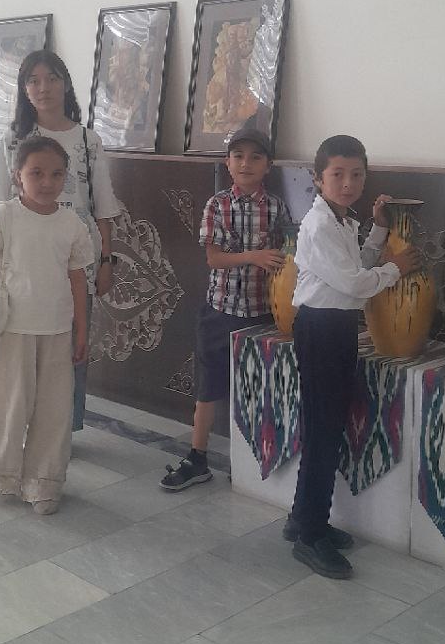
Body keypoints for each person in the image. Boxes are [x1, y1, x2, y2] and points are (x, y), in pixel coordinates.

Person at [285, 134, 421, 579]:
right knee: (323, 432)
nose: (348, 183)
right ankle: (310, 536)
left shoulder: (341, 221)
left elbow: (356, 266)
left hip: (336, 328)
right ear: (318, 178)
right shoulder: (319, 225)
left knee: (326, 428)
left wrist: (378, 229)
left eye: (357, 174)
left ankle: (303, 519)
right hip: (321, 330)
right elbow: (356, 284)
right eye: (338, 174)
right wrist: (396, 268)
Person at [0, 50, 123, 429]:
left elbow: (102, 206)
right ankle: (24, 425)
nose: (43, 87)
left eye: (51, 78)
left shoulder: (88, 141)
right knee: (23, 347)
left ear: (65, 84)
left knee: (72, 345)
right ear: (23, 89)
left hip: (76, 262)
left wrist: (106, 262)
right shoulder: (13, 139)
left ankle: (63, 429)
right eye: (33, 80)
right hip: (22, 263)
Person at [0, 136, 95, 515]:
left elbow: (78, 281)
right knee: (7, 405)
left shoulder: (71, 224)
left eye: (56, 174)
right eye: (36, 173)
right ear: (17, 175)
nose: (46, 182)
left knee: (54, 410)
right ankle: (2, 474)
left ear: (65, 178)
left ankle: (44, 482)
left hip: (56, 331)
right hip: (11, 331)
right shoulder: (3, 217)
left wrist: (82, 331)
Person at [161, 124, 289, 491]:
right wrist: (254, 256)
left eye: (256, 157)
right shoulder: (217, 205)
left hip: (262, 316)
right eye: (238, 156)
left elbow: (285, 256)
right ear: (227, 163)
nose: (246, 163)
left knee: (254, 389)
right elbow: (214, 259)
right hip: (220, 312)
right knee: (208, 388)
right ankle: (197, 458)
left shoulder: (276, 208)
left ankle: (248, 462)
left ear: (268, 166)